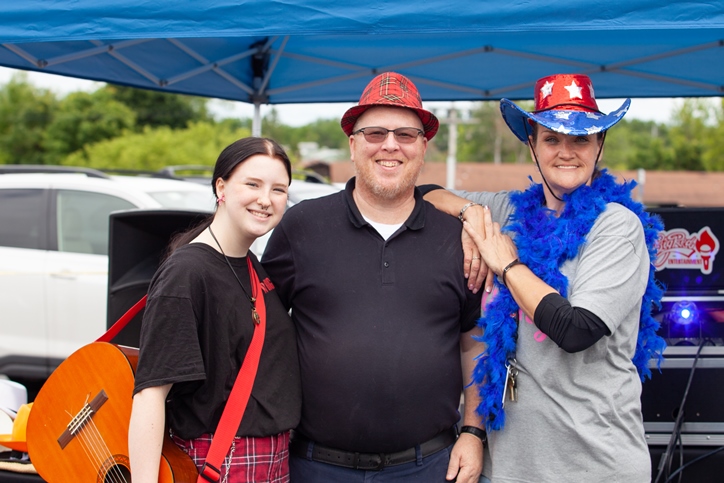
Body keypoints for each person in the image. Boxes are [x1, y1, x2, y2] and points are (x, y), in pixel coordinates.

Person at [422, 73, 666, 482]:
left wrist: (507, 265)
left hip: (596, 468)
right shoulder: (509, 212)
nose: (565, 152)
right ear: (532, 145)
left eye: (580, 139)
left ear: (599, 145)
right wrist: (470, 214)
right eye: (551, 139)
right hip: (509, 468)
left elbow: (576, 329)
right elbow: (423, 194)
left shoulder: (617, 226)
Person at [261, 72, 487, 482]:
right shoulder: (302, 226)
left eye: (406, 134)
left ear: (423, 147)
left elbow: (474, 341)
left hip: (428, 466)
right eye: (375, 133)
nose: (390, 145)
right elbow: (262, 330)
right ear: (352, 145)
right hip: (315, 466)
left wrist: (473, 431)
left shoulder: (457, 238)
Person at [129, 137, 302, 483]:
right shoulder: (187, 272)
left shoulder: (250, 266)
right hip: (220, 463)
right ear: (221, 187)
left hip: (270, 463)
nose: (265, 199)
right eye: (252, 184)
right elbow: (151, 394)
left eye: (278, 189)